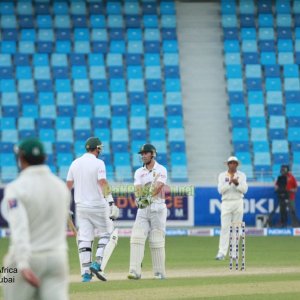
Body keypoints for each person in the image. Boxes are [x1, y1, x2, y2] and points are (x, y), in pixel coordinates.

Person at [1, 138, 71, 300]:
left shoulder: (16, 188)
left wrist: (22, 262)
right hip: (58, 259)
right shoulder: (60, 187)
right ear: (44, 158)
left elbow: (20, 228)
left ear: (21, 159)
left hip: (27, 258)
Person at [66, 137, 119, 282]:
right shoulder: (99, 163)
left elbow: (68, 186)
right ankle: (97, 263)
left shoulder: (75, 163)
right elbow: (103, 182)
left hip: (81, 207)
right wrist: (111, 202)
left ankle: (85, 275)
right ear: (98, 149)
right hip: (98, 206)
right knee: (110, 234)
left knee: (84, 239)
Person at [128, 144, 168, 280]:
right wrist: (139, 199)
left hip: (158, 208)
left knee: (156, 239)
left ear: (153, 154)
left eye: (146, 153)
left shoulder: (161, 169)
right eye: (142, 154)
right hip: (143, 209)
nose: (143, 155)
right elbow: (138, 188)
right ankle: (134, 271)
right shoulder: (139, 172)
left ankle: (159, 273)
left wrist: (145, 199)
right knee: (136, 236)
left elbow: (157, 188)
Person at [215, 156, 248, 260]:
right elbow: (220, 190)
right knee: (225, 228)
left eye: (234, 163)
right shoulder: (222, 175)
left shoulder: (242, 175)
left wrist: (237, 183)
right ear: (228, 164)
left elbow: (244, 190)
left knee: (236, 228)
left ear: (237, 164)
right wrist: (229, 183)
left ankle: (234, 253)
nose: (233, 165)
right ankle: (222, 253)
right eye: (231, 163)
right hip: (226, 202)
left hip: (238, 201)